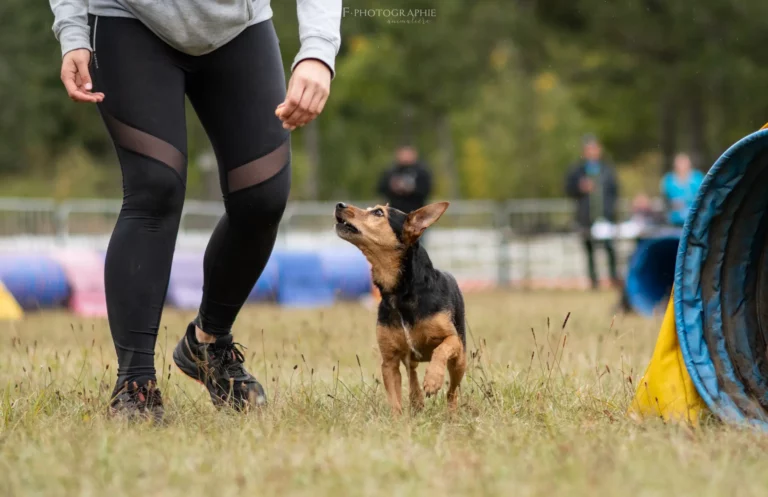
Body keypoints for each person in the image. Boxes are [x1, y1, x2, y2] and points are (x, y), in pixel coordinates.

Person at [48, 0, 341, 420]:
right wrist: (73, 31)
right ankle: (135, 384)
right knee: (156, 189)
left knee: (262, 199)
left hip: (237, 26)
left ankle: (207, 343)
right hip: (129, 20)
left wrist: (317, 50)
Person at [565, 134, 620, 290]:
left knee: (609, 248)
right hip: (586, 217)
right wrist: (580, 188)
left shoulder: (607, 170)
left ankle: (613, 278)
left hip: (605, 216)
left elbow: (614, 191)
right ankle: (593, 281)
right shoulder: (577, 171)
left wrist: (611, 210)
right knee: (589, 249)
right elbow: (568, 189)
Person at [377, 145, 433, 213]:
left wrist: (411, 189)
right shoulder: (391, 171)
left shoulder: (421, 171)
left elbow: (427, 189)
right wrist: (392, 187)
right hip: (395, 211)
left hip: (416, 210)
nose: (405, 157)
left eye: (408, 154)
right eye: (403, 154)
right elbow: (381, 188)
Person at [660, 153, 705, 227]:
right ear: (675, 165)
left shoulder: (698, 178)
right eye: (679, 163)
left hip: (695, 220)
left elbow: (704, 197)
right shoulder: (668, 180)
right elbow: (664, 200)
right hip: (675, 221)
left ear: (689, 164)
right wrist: (671, 204)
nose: (682, 166)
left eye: (684, 163)